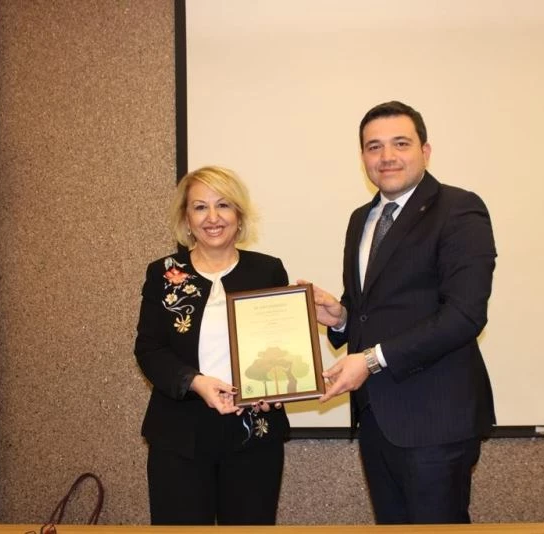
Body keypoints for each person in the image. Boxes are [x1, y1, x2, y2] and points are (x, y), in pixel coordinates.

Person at [307, 101, 496, 524]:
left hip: (435, 419)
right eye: (374, 147)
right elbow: (371, 311)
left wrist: (371, 359)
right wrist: (341, 318)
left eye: (400, 143)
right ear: (362, 157)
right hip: (376, 417)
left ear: (425, 151)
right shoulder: (361, 219)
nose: (387, 156)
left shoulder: (459, 209)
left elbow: (465, 315)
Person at [134, 166, 288, 525]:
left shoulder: (267, 271)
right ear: (186, 218)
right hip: (179, 438)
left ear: (239, 215)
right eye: (200, 207)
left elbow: (279, 346)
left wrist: (277, 386)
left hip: (254, 435)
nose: (213, 217)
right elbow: (149, 348)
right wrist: (196, 382)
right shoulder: (163, 274)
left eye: (223, 205)